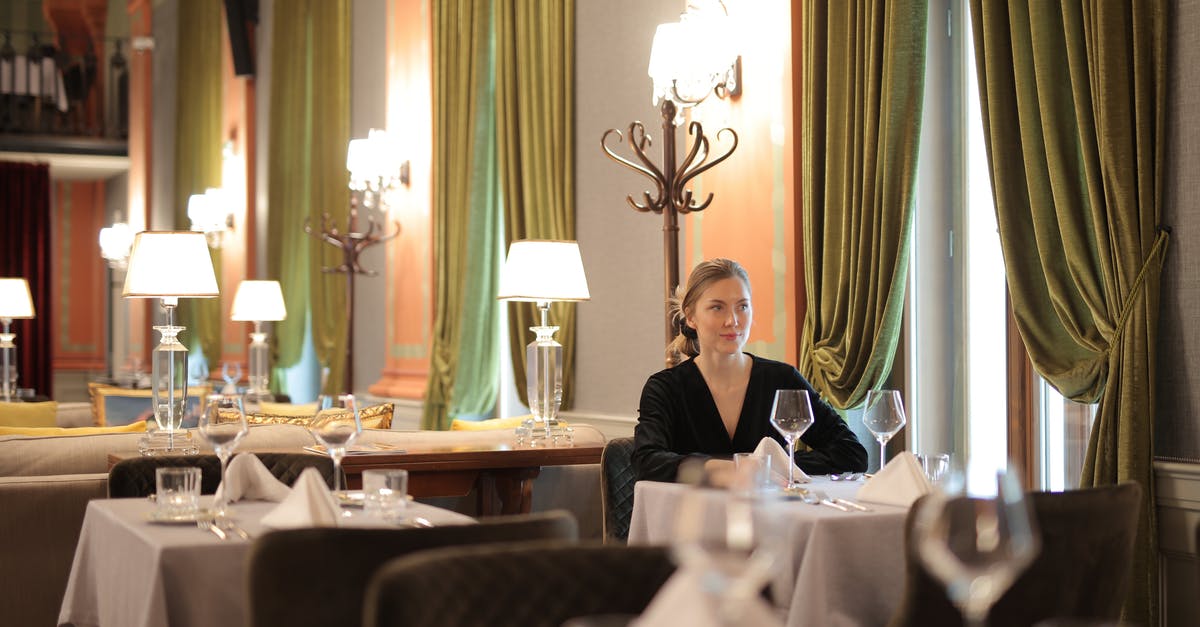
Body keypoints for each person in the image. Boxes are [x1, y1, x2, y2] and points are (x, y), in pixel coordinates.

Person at [633, 258, 867, 484]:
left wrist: (772, 465)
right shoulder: (664, 388)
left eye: (742, 306)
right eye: (717, 307)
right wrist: (729, 469)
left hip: (771, 519)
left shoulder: (782, 379)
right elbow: (647, 461)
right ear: (691, 316)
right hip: (691, 520)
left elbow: (851, 453)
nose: (733, 320)